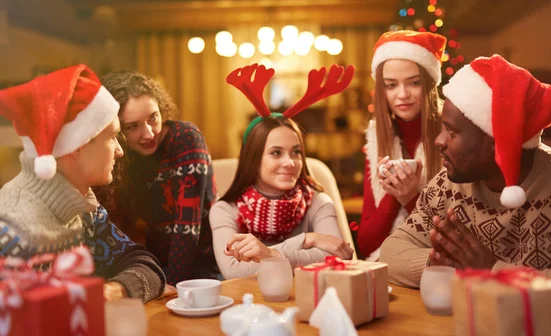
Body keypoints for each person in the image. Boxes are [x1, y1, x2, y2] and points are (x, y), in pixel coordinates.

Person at [380, 55, 551, 315]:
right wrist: (442, 264)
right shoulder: (445, 186)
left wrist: (493, 273)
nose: (439, 140)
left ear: (497, 142)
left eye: (451, 132)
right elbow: (391, 253)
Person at [0, 65, 166, 302]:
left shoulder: (83, 207)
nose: (120, 151)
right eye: (111, 138)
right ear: (76, 147)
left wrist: (113, 290)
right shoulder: (11, 227)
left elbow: (145, 265)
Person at [209, 63, 355, 279]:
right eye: (276, 153)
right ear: (253, 158)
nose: (290, 162)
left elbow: (339, 258)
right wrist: (307, 240)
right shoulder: (224, 209)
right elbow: (234, 271)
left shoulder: (318, 202)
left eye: (296, 152)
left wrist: (268, 254)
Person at [98, 71, 218, 285]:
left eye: (152, 118)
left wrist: (170, 286)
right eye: (132, 126)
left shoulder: (185, 138)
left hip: (204, 263)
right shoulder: (119, 154)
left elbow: (187, 229)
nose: (149, 134)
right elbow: (118, 226)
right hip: (153, 265)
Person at [358, 30, 446, 260]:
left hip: (435, 264)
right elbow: (366, 244)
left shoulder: (452, 134)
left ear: (428, 84)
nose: (402, 94)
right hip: (387, 266)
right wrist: (395, 192)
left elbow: (453, 238)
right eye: (391, 85)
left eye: (414, 83)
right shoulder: (377, 138)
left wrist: (409, 196)